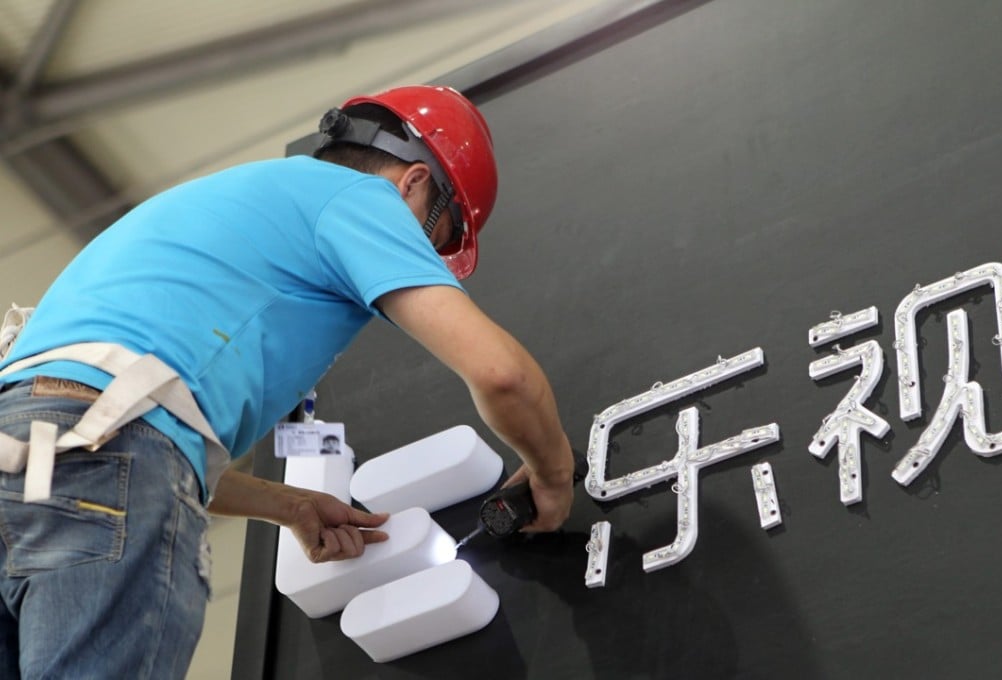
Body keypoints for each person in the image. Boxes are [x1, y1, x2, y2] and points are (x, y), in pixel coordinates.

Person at [0, 85, 575, 679]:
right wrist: (553, 474)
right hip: (105, 450)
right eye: (432, 239)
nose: (419, 255)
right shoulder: (357, 200)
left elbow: (108, 438)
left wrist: (288, 505)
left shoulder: (228, 209)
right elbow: (501, 374)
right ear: (414, 183)